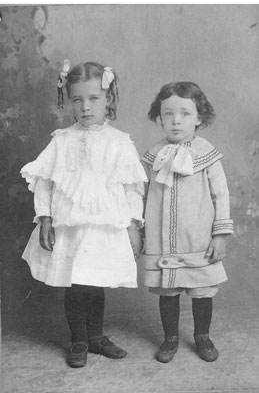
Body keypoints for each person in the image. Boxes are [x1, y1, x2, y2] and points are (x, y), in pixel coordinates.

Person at [21, 61, 147, 368]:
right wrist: (45, 219)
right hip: (71, 225)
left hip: (105, 227)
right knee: (76, 283)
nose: (85, 107)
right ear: (69, 101)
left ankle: (96, 337)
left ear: (109, 99)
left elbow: (132, 189)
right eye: (77, 99)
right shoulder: (61, 139)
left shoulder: (119, 142)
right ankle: (78, 338)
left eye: (93, 99)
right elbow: (45, 183)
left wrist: (134, 226)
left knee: (95, 281)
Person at [142, 81, 233, 363]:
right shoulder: (154, 155)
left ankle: (202, 335)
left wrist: (219, 235)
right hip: (162, 238)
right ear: (159, 118)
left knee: (201, 289)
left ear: (199, 118)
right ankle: (170, 337)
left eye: (184, 114)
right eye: (168, 114)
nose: (176, 121)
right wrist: (141, 231)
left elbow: (221, 194)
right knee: (168, 290)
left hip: (198, 237)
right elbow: (143, 195)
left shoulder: (207, 155)